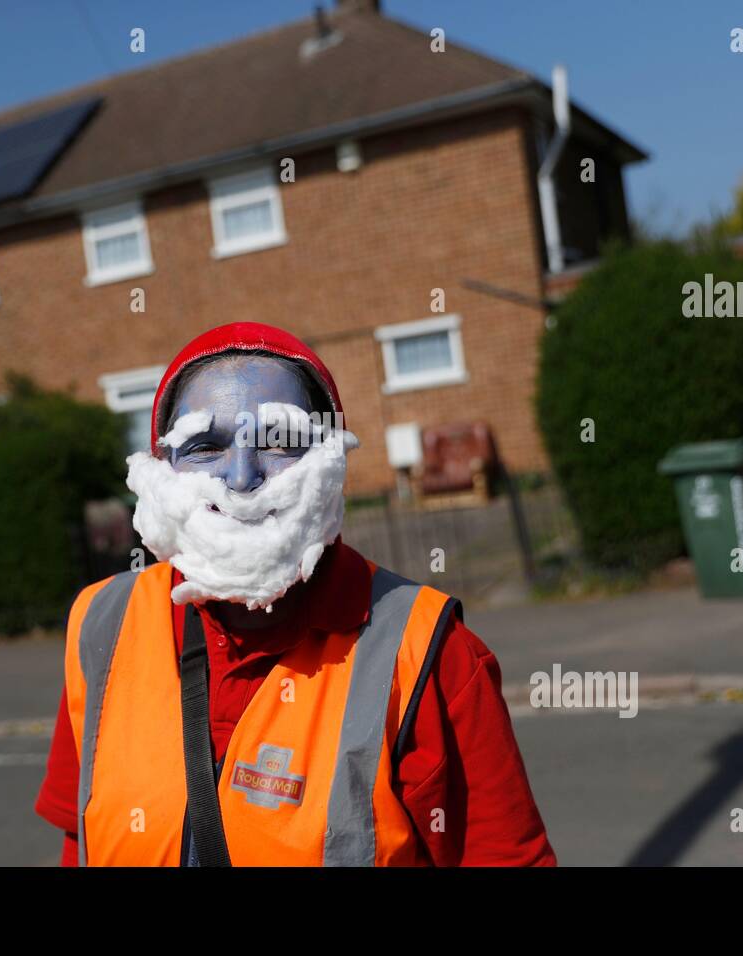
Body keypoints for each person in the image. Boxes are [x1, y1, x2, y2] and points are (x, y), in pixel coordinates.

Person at [35, 321, 555, 866]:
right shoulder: (102, 623)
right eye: (205, 445)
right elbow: (84, 839)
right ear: (161, 468)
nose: (241, 476)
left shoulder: (427, 651)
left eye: (280, 439)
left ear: (328, 458)